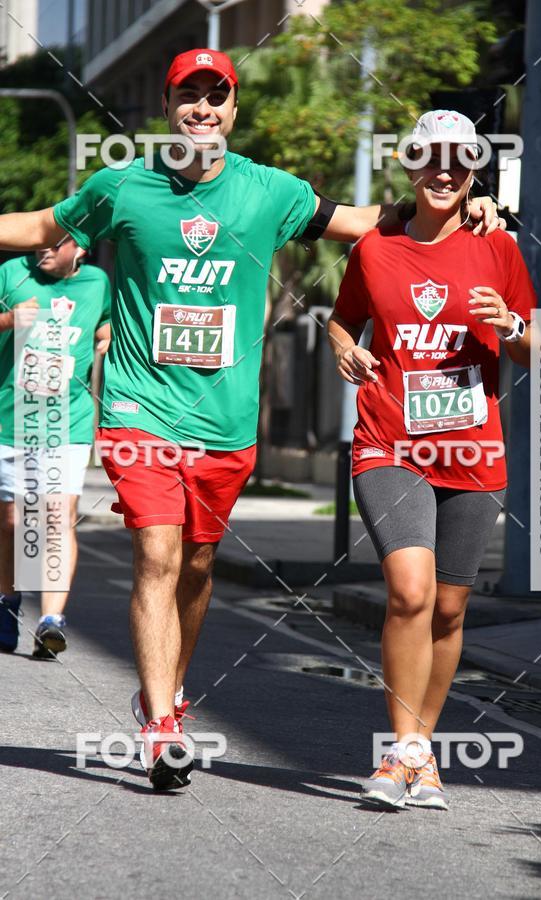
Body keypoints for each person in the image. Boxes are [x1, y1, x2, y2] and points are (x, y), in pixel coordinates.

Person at [0, 51, 503, 791]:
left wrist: (468, 208)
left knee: (198, 565)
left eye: (217, 96)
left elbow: (365, 222)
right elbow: (43, 222)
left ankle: (164, 688)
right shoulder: (122, 187)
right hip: (141, 409)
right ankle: (163, 726)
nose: (202, 108)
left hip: (229, 421)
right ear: (167, 104)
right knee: (157, 555)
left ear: (233, 109)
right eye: (189, 95)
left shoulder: (270, 192)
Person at [328, 110, 536, 810]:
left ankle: (422, 749)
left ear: (475, 168)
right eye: (429, 159)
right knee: (410, 591)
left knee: (449, 609)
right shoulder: (376, 247)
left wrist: (509, 325)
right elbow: (342, 316)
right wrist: (341, 346)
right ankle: (398, 753)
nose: (443, 171)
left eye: (458, 160)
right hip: (389, 442)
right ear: (409, 165)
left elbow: (537, 344)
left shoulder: (497, 246)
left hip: (472, 451)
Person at [0, 239, 111, 658]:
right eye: (39, 240)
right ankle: (8, 603)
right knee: (12, 521)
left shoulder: (98, 281)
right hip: (11, 418)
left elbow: (106, 320)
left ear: (80, 248)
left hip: (70, 420)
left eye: (56, 241)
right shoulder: (12, 273)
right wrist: (10, 319)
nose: (43, 248)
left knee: (57, 517)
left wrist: (106, 334)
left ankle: (51, 620)